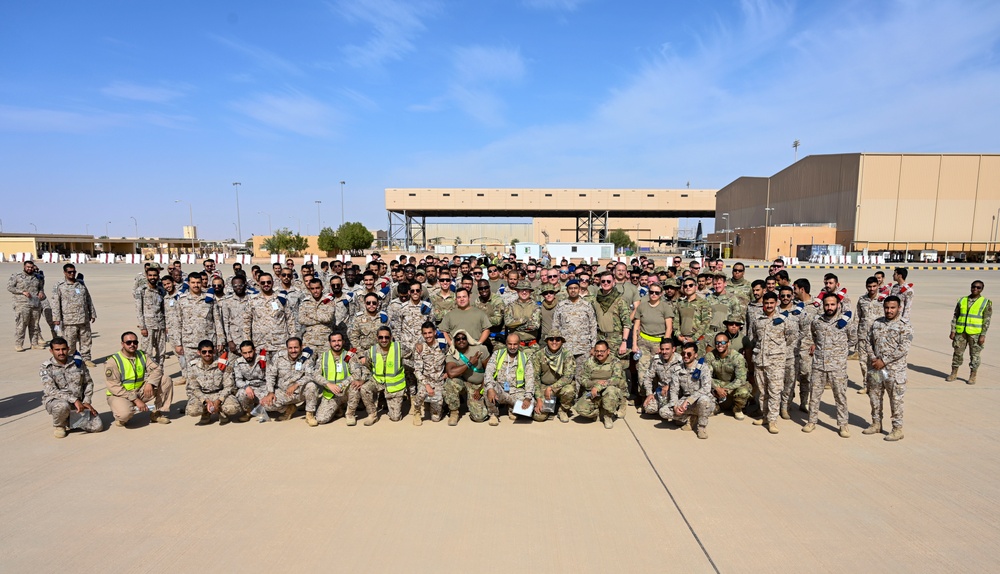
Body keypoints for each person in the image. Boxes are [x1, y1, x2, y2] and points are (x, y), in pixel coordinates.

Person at [802, 293, 852, 438]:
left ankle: (843, 425)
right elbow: (814, 336)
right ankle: (811, 421)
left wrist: (840, 353)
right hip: (819, 364)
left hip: (837, 367)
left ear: (838, 305)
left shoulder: (845, 322)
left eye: (832, 304)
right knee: (815, 395)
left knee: (840, 396)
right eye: (827, 305)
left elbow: (853, 339)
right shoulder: (817, 321)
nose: (829, 307)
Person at [867, 296, 912, 441]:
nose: (889, 310)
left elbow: (903, 348)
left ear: (899, 308)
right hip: (877, 369)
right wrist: (874, 358)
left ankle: (897, 429)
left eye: (892, 308)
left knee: (896, 400)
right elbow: (868, 342)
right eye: (886, 307)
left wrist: (884, 361)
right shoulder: (877, 323)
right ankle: (876, 423)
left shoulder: (905, 326)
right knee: (875, 395)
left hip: (894, 371)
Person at [105, 331, 173, 427]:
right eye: (128, 343)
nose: (132, 345)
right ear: (122, 344)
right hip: (120, 395)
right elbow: (113, 386)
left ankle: (156, 413)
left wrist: (150, 383)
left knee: (166, 380)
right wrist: (136, 400)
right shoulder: (113, 361)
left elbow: (157, 369)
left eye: (135, 342)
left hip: (139, 391)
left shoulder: (142, 355)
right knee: (124, 414)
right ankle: (122, 417)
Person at [169, 273, 225, 385]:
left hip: (208, 341)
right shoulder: (182, 300)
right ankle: (193, 398)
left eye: (198, 282)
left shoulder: (209, 298)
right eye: (193, 283)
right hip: (189, 342)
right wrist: (178, 343)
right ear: (188, 283)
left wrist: (220, 340)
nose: (196, 285)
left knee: (211, 371)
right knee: (191, 373)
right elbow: (177, 322)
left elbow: (217, 320)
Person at [41, 337, 103, 438]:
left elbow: (88, 383)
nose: (61, 352)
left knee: (97, 426)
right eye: (57, 350)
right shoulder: (47, 367)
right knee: (62, 406)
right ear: (51, 351)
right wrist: (74, 400)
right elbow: (51, 390)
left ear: (68, 349)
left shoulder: (77, 363)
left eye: (64, 349)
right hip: (58, 402)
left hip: (79, 404)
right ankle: (60, 425)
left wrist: (86, 402)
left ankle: (71, 421)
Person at [749, 292, 791, 433]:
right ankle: (765, 415)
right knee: (762, 391)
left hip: (776, 362)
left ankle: (773, 420)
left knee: (774, 391)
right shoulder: (757, 319)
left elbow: (791, 338)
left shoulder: (784, 319)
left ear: (776, 303)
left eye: (771, 303)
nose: (768, 306)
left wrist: (778, 351)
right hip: (760, 360)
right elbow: (754, 337)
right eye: (766, 303)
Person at [354, 327, 407, 425]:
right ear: (377, 338)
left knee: (395, 418)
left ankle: (389, 402)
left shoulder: (399, 348)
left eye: (387, 337)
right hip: (378, 381)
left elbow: (412, 356)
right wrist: (362, 379)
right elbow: (365, 365)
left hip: (394, 384)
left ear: (391, 337)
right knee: (364, 388)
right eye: (381, 337)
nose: (384, 340)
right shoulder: (372, 350)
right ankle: (372, 414)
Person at [483, 333, 536, 426]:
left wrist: (527, 398)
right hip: (501, 390)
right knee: (488, 387)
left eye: (515, 344)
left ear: (519, 344)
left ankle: (512, 408)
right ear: (506, 344)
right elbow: (489, 372)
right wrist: (491, 388)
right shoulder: (497, 354)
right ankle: (493, 414)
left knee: (531, 406)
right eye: (510, 344)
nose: (512, 347)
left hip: (516, 391)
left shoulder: (525, 357)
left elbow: (530, 379)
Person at [49, 263, 97, 366]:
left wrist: (92, 313)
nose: (72, 274)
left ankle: (86, 359)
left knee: (86, 340)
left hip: (84, 318)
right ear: (65, 273)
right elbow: (55, 302)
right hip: (69, 320)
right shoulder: (60, 286)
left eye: (73, 272)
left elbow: (88, 298)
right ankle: (69, 360)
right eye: (69, 272)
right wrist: (56, 318)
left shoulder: (80, 284)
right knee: (70, 343)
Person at [304, 332, 355, 426]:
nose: (337, 343)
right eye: (334, 341)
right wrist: (328, 384)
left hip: (346, 392)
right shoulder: (323, 357)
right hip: (331, 394)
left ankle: (350, 414)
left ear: (343, 342)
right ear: (329, 343)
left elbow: (356, 373)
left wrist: (342, 384)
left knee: (355, 386)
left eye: (339, 340)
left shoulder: (349, 355)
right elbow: (315, 374)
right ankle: (338, 407)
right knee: (321, 419)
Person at [185, 340, 241, 425]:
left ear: (214, 351)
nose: (207, 354)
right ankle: (205, 413)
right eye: (204, 352)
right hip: (203, 395)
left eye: (210, 351)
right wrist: (206, 401)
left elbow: (229, 386)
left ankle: (222, 411)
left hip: (220, 393)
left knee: (232, 408)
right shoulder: (192, 366)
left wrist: (218, 401)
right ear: (199, 352)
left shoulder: (222, 364)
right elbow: (194, 388)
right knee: (193, 410)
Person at [666, 342, 714, 439]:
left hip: (701, 400)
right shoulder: (677, 369)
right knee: (664, 411)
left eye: (689, 354)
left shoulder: (703, 367)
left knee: (704, 400)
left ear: (695, 355)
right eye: (683, 354)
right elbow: (674, 391)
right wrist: (675, 406)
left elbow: (706, 388)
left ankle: (701, 427)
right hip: (685, 400)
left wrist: (689, 401)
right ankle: (690, 418)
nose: (685, 356)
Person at [948, 280, 991, 384]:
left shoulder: (985, 302)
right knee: (957, 353)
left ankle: (973, 375)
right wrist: (953, 330)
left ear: (982, 289)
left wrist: (983, 335)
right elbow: (956, 316)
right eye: (973, 287)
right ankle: (954, 373)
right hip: (961, 332)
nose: (975, 289)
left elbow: (987, 320)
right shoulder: (962, 300)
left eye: (978, 287)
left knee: (974, 355)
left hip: (975, 333)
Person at [443, 329, 490, 425]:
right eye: (458, 339)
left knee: (479, 417)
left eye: (463, 338)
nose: (461, 341)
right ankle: (454, 412)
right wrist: (469, 363)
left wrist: (481, 389)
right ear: (454, 342)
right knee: (450, 382)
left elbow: (490, 371)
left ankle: (479, 404)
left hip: (480, 385)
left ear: (468, 339)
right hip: (465, 383)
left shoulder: (480, 349)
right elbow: (451, 373)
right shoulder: (452, 353)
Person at [575, 341, 626, 429]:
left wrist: (599, 386)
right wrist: (594, 384)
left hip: (608, 391)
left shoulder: (615, 362)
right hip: (593, 392)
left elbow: (617, 379)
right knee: (580, 409)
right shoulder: (589, 362)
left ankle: (608, 416)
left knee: (611, 390)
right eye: (597, 351)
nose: (599, 354)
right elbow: (582, 379)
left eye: (602, 351)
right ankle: (599, 412)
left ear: (608, 351)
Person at [261, 337, 313, 421]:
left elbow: (310, 375)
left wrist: (296, 384)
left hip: (300, 392)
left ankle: (309, 414)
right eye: (290, 348)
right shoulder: (278, 357)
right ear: (287, 348)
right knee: (265, 404)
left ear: (301, 347)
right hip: (283, 392)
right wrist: (270, 392)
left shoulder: (307, 358)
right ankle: (288, 409)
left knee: (311, 386)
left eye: (296, 347)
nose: (293, 350)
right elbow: (271, 375)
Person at [553, 279, 598, 376]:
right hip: (566, 347)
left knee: (582, 376)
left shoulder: (587, 306)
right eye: (570, 288)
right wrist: (556, 345)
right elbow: (555, 327)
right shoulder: (561, 306)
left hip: (584, 348)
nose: (573, 290)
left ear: (579, 289)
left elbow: (593, 326)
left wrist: (593, 346)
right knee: (566, 375)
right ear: (567, 290)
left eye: (575, 288)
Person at [531, 330, 576, 422]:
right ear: (547, 341)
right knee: (539, 417)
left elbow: (568, 377)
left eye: (558, 339)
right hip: (544, 387)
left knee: (569, 390)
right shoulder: (539, 355)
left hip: (560, 387)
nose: (554, 342)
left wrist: (552, 387)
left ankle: (563, 410)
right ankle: (548, 407)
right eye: (551, 339)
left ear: (562, 341)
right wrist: (539, 398)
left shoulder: (567, 355)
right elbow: (535, 378)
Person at [705, 332, 751, 420]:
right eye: (717, 342)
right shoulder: (710, 356)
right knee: (702, 385)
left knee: (744, 391)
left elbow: (740, 379)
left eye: (723, 343)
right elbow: (706, 376)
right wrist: (717, 388)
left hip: (733, 385)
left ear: (728, 343)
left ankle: (737, 409)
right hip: (718, 384)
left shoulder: (737, 357)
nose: (720, 345)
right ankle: (716, 406)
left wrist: (725, 389)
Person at [412, 322, 448, 425]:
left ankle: (437, 405)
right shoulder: (420, 348)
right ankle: (417, 411)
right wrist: (426, 385)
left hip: (439, 382)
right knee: (421, 393)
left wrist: (448, 372)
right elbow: (417, 370)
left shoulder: (442, 345)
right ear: (422, 334)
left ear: (435, 332)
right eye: (425, 333)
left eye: (430, 333)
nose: (428, 336)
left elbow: (450, 358)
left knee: (435, 418)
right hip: (426, 381)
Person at [856, 277, 885, 395]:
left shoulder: (883, 299)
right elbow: (857, 317)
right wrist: (854, 334)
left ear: (878, 285)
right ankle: (866, 385)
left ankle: (880, 384)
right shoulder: (862, 300)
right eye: (869, 286)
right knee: (863, 362)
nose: (872, 289)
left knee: (878, 362)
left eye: (874, 286)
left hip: (878, 337)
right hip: (863, 335)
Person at [297, 278, 336, 363]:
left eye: (317, 288)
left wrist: (310, 315)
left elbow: (328, 318)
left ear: (322, 288)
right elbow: (301, 319)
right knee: (307, 365)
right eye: (312, 288)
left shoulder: (329, 301)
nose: (315, 291)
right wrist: (320, 319)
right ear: (309, 289)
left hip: (325, 341)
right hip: (309, 341)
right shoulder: (305, 302)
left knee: (325, 364)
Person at [639, 338, 681, 419]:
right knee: (648, 408)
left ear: (673, 349)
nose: (664, 352)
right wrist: (649, 394)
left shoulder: (680, 361)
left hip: (676, 393)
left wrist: (669, 386)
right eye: (662, 349)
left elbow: (683, 380)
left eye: (667, 349)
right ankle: (664, 408)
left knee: (675, 419)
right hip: (661, 392)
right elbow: (648, 378)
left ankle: (683, 416)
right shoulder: (656, 360)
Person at [8, 260, 44, 352]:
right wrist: (22, 292)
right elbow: (10, 287)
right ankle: (19, 344)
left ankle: (34, 344)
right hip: (22, 304)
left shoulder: (37, 277)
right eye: (28, 267)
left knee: (35, 325)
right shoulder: (17, 276)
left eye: (31, 267)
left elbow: (41, 287)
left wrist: (40, 292)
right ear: (24, 267)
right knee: (21, 325)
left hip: (35, 304)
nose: (30, 269)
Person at [135, 264, 167, 366]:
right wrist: (142, 327)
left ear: (158, 276)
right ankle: (147, 374)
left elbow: (163, 309)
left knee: (161, 352)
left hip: (160, 325)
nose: (152, 277)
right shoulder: (141, 291)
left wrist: (166, 325)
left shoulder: (161, 290)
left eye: (154, 275)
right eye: (150, 275)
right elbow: (139, 310)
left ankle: (159, 372)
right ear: (147, 276)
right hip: (148, 327)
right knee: (147, 352)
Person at [232, 340, 267, 422]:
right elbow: (238, 380)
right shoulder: (238, 362)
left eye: (250, 352)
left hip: (263, 387)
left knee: (272, 404)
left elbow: (270, 377)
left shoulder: (262, 359)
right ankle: (247, 412)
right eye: (245, 353)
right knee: (241, 394)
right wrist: (246, 387)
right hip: (249, 387)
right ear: (241, 353)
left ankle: (259, 407)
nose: (248, 355)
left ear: (254, 350)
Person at [219, 275, 252, 354]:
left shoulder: (252, 299)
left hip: (251, 338)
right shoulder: (227, 301)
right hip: (235, 339)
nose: (238, 288)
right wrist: (229, 341)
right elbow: (225, 322)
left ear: (245, 284)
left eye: (240, 285)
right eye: (235, 286)